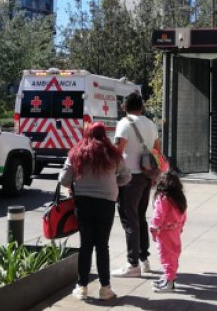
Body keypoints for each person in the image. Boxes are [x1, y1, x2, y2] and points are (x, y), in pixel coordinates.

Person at [59, 122, 131, 301]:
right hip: (106, 203)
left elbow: (64, 179)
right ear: (104, 135)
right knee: (102, 245)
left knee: (86, 245)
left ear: (86, 134)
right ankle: (105, 288)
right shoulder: (113, 154)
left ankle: (82, 287)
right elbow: (126, 176)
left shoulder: (76, 153)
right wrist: (115, 183)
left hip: (83, 203)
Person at [112, 92, 160, 277]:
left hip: (129, 179)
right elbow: (157, 150)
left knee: (129, 219)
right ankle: (143, 259)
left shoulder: (124, 124)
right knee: (140, 217)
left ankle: (133, 265)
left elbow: (117, 151)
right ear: (142, 107)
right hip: (146, 177)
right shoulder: (150, 123)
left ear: (124, 107)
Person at [149, 172, 188, 293]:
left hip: (165, 232)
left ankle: (169, 282)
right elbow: (183, 215)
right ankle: (167, 278)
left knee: (166, 256)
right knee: (174, 255)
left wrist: (154, 229)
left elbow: (158, 216)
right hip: (175, 231)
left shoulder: (163, 199)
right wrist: (180, 227)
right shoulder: (179, 199)